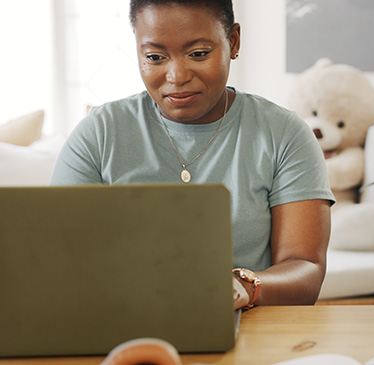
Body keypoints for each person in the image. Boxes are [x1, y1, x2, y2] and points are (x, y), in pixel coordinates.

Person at [50, 0, 335, 309]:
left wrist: (244, 287)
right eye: (155, 57)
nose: (176, 76)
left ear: (233, 42)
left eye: (198, 54)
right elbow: (57, 256)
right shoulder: (100, 132)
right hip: (119, 320)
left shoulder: (283, 132)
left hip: (247, 326)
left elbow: (305, 269)